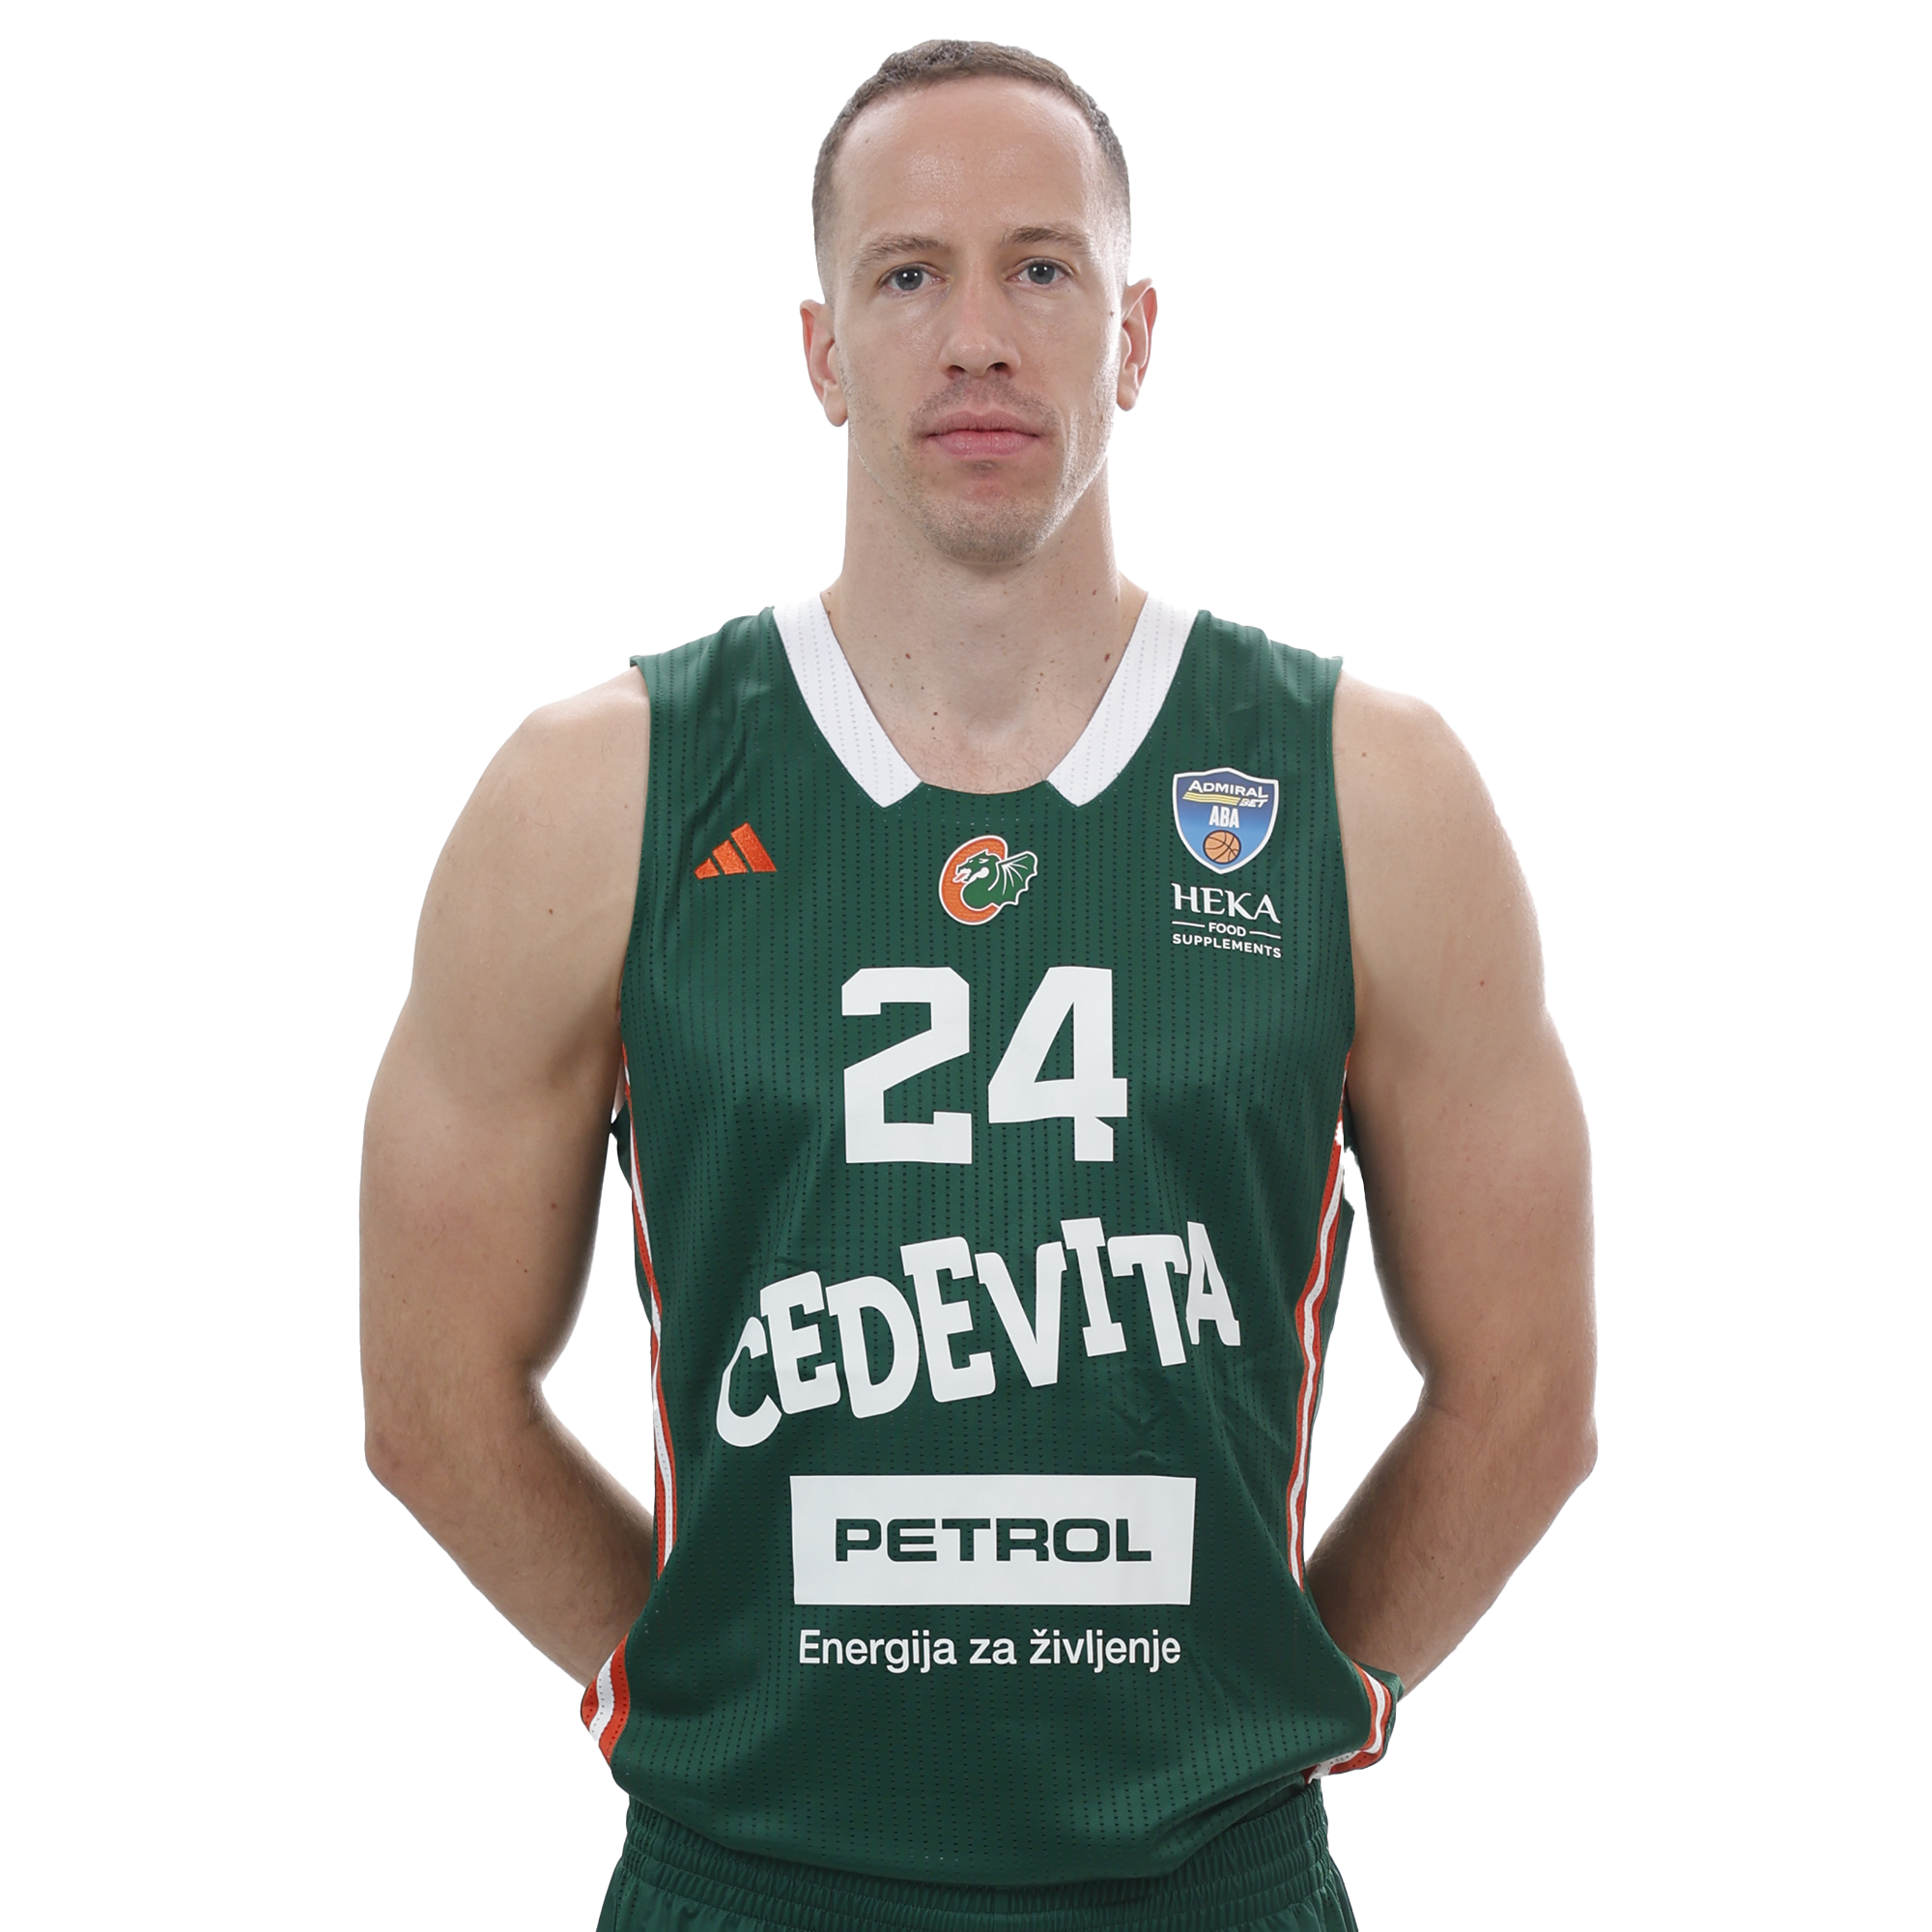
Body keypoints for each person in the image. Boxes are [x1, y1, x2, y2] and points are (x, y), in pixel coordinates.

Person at [360, 38, 1597, 1932]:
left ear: (1136, 332)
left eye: (1040, 267)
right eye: (907, 275)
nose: (976, 339)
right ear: (820, 349)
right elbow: (433, 1391)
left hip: (1208, 1884)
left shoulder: (1365, 782)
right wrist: (709, 1693)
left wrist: (1273, 1699)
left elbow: (1526, 1389)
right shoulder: (600, 791)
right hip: (744, 1881)